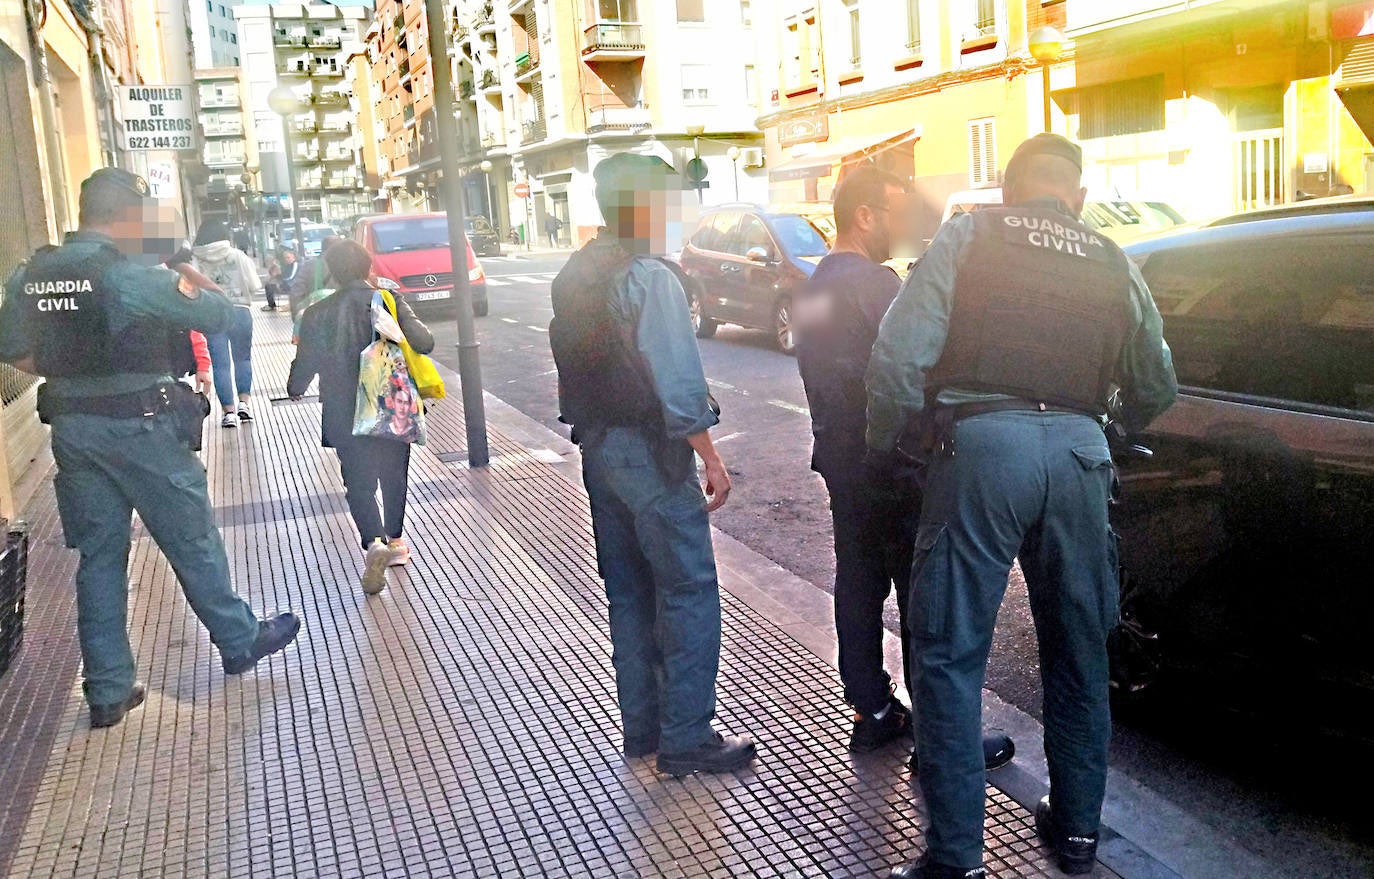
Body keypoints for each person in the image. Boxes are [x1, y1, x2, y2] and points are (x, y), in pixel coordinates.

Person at [867, 135, 1178, 879]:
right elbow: (1158, 382)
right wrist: (1102, 427)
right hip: (1079, 456)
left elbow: (895, 357)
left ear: (1011, 192)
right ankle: (1076, 834)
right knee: (1079, 650)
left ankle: (957, 858)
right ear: (1075, 195)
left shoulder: (973, 232)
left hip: (980, 448)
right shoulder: (1111, 257)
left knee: (947, 656)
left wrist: (893, 444)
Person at [0, 168, 301, 729]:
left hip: (72, 429)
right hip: (141, 426)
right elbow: (217, 313)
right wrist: (177, 260)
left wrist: (71, 376)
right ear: (127, 217)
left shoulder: (32, 274)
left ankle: (108, 690)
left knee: (99, 556)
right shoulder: (124, 275)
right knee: (190, 537)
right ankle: (239, 640)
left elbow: (10, 345)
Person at [794, 167, 1015, 772]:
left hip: (841, 463)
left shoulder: (811, 289)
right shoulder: (878, 285)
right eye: (893, 212)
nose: (902, 227)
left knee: (859, 585)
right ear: (864, 215)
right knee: (924, 597)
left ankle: (873, 713)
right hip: (893, 464)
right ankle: (942, 738)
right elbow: (916, 368)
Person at [549, 152, 754, 777]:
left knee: (630, 590)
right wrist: (711, 458)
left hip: (598, 448)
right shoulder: (650, 278)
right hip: (649, 452)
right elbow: (678, 383)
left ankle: (643, 726)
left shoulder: (576, 273)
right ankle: (686, 737)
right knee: (688, 588)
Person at [287, 240, 433, 595]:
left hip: (343, 407)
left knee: (358, 483)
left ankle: (373, 541)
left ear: (333, 272)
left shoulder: (317, 312)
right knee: (394, 473)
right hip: (390, 400)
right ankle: (396, 542)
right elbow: (424, 342)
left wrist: (295, 387)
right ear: (369, 268)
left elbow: (304, 366)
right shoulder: (389, 301)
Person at [192, 220, 261, 428]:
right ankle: (244, 404)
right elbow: (254, 285)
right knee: (243, 359)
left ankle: (228, 413)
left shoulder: (195, 259)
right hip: (240, 311)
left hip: (212, 313)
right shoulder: (238, 256)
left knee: (221, 365)